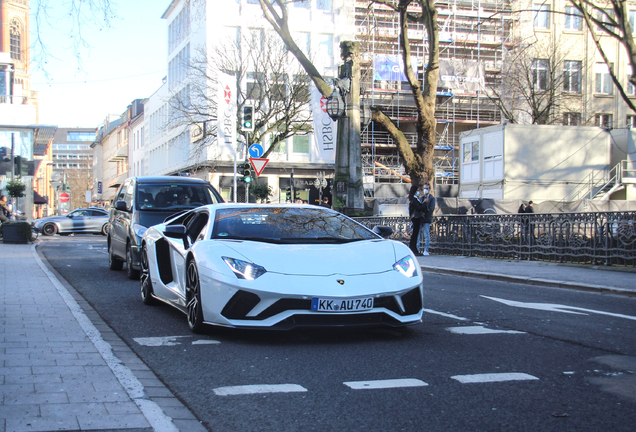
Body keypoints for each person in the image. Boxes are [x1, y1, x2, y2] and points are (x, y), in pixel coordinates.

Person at [409, 183, 436, 256]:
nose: (425, 190)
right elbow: (419, 207)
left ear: (429, 189)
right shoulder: (420, 198)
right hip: (419, 219)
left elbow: (431, 209)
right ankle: (416, 249)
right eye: (424, 188)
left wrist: (425, 211)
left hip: (426, 219)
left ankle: (426, 250)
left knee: (426, 234)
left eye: (427, 188)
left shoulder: (432, 198)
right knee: (417, 235)